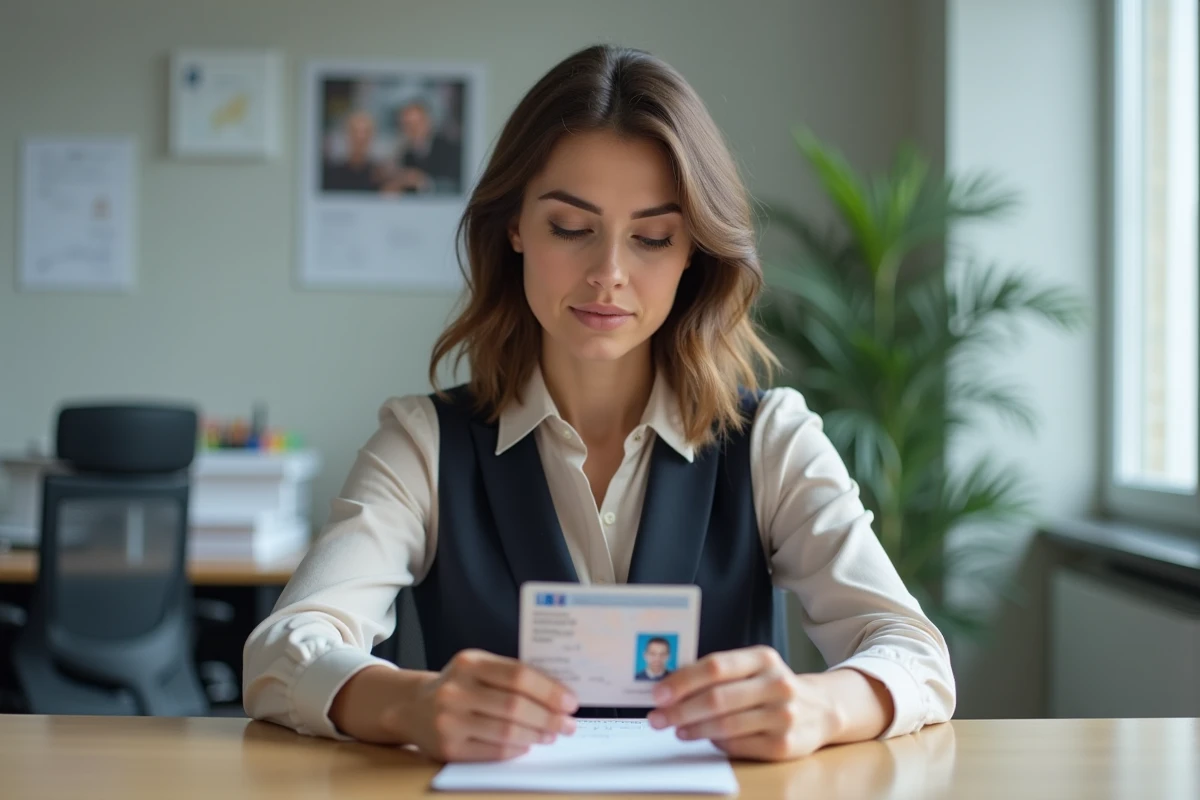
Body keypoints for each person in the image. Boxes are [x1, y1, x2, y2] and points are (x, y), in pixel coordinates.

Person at [243, 44, 955, 764]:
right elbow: (280, 653)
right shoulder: (423, 442)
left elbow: (914, 654)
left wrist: (819, 707)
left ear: (692, 253)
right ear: (515, 227)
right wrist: (409, 702)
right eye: (571, 229)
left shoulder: (771, 439)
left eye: (652, 238)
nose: (608, 275)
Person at [383, 100, 462, 194]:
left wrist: (423, 182)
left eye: (417, 123)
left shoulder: (449, 149)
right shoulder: (405, 155)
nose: (413, 130)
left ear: (429, 122)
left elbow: (457, 186)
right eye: (407, 125)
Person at [321, 110, 382, 193]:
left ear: (372, 136)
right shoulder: (330, 175)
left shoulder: (379, 177)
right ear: (346, 135)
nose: (360, 138)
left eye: (366, 132)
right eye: (354, 131)